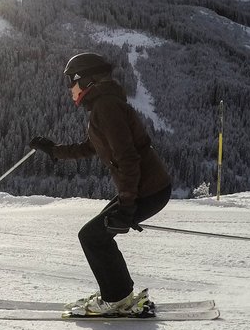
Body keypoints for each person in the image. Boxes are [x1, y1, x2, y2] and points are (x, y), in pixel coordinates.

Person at [29, 52, 172, 316]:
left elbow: (128, 158)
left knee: (92, 237)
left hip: (147, 190)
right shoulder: (104, 105)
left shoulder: (106, 107)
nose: (70, 89)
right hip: (145, 188)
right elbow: (90, 147)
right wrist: (54, 150)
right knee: (96, 235)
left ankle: (117, 298)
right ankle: (119, 294)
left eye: (71, 81)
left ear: (86, 80)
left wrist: (127, 206)